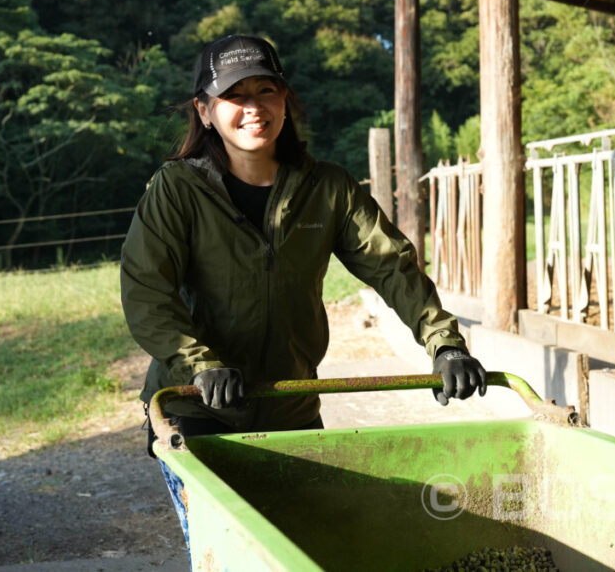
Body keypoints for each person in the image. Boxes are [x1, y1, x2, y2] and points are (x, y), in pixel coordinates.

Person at [119, 34, 487, 548]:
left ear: (285, 100)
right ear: (205, 111)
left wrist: (444, 343)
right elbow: (147, 292)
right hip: (197, 409)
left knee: (303, 549)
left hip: (292, 407)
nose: (253, 108)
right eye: (234, 95)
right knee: (229, 552)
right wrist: (201, 365)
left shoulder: (328, 189)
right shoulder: (177, 190)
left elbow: (392, 267)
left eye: (265, 90)